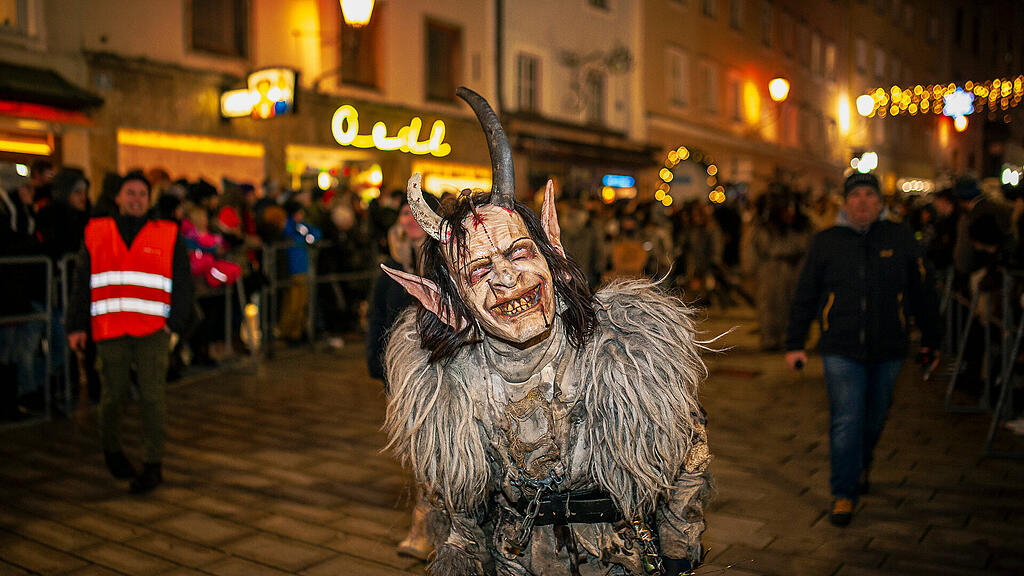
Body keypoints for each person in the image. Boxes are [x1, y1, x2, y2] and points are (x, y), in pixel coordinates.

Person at [382, 88, 710, 575]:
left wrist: (679, 548)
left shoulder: (624, 357)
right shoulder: (451, 391)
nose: (505, 278)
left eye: (517, 253)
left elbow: (686, 455)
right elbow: (457, 505)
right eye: (478, 271)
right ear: (449, 304)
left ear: (552, 255)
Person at [784, 172, 940, 527]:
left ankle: (861, 462)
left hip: (889, 346)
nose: (863, 201)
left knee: (875, 416)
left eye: (870, 194)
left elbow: (921, 291)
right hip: (840, 347)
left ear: (880, 201)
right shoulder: (827, 241)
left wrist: (932, 338)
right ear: (845, 201)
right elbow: (806, 294)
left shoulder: (899, 237)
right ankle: (843, 492)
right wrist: (795, 343)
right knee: (846, 419)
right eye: (856, 195)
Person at [67, 171, 192, 493]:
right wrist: (76, 325)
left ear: (148, 199)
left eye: (142, 194)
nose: (136, 199)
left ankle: (153, 464)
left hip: (153, 329)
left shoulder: (168, 232)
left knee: (152, 397)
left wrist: (173, 323)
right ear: (119, 197)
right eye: (130, 193)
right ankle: (111, 450)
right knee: (113, 395)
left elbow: (183, 283)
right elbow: (83, 283)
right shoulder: (96, 231)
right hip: (110, 328)